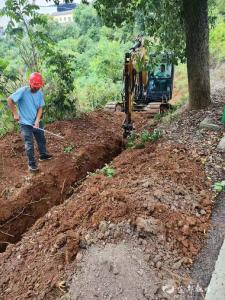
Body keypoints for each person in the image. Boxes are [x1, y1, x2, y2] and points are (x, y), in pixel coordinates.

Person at [7, 72, 52, 172]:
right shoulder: (23, 91)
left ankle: (43, 155)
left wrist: (37, 121)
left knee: (41, 138)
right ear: (30, 83)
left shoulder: (40, 93)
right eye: (35, 86)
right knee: (29, 143)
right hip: (25, 123)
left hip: (36, 121)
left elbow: (40, 108)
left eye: (38, 86)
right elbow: (10, 100)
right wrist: (15, 113)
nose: (36, 88)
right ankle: (32, 164)